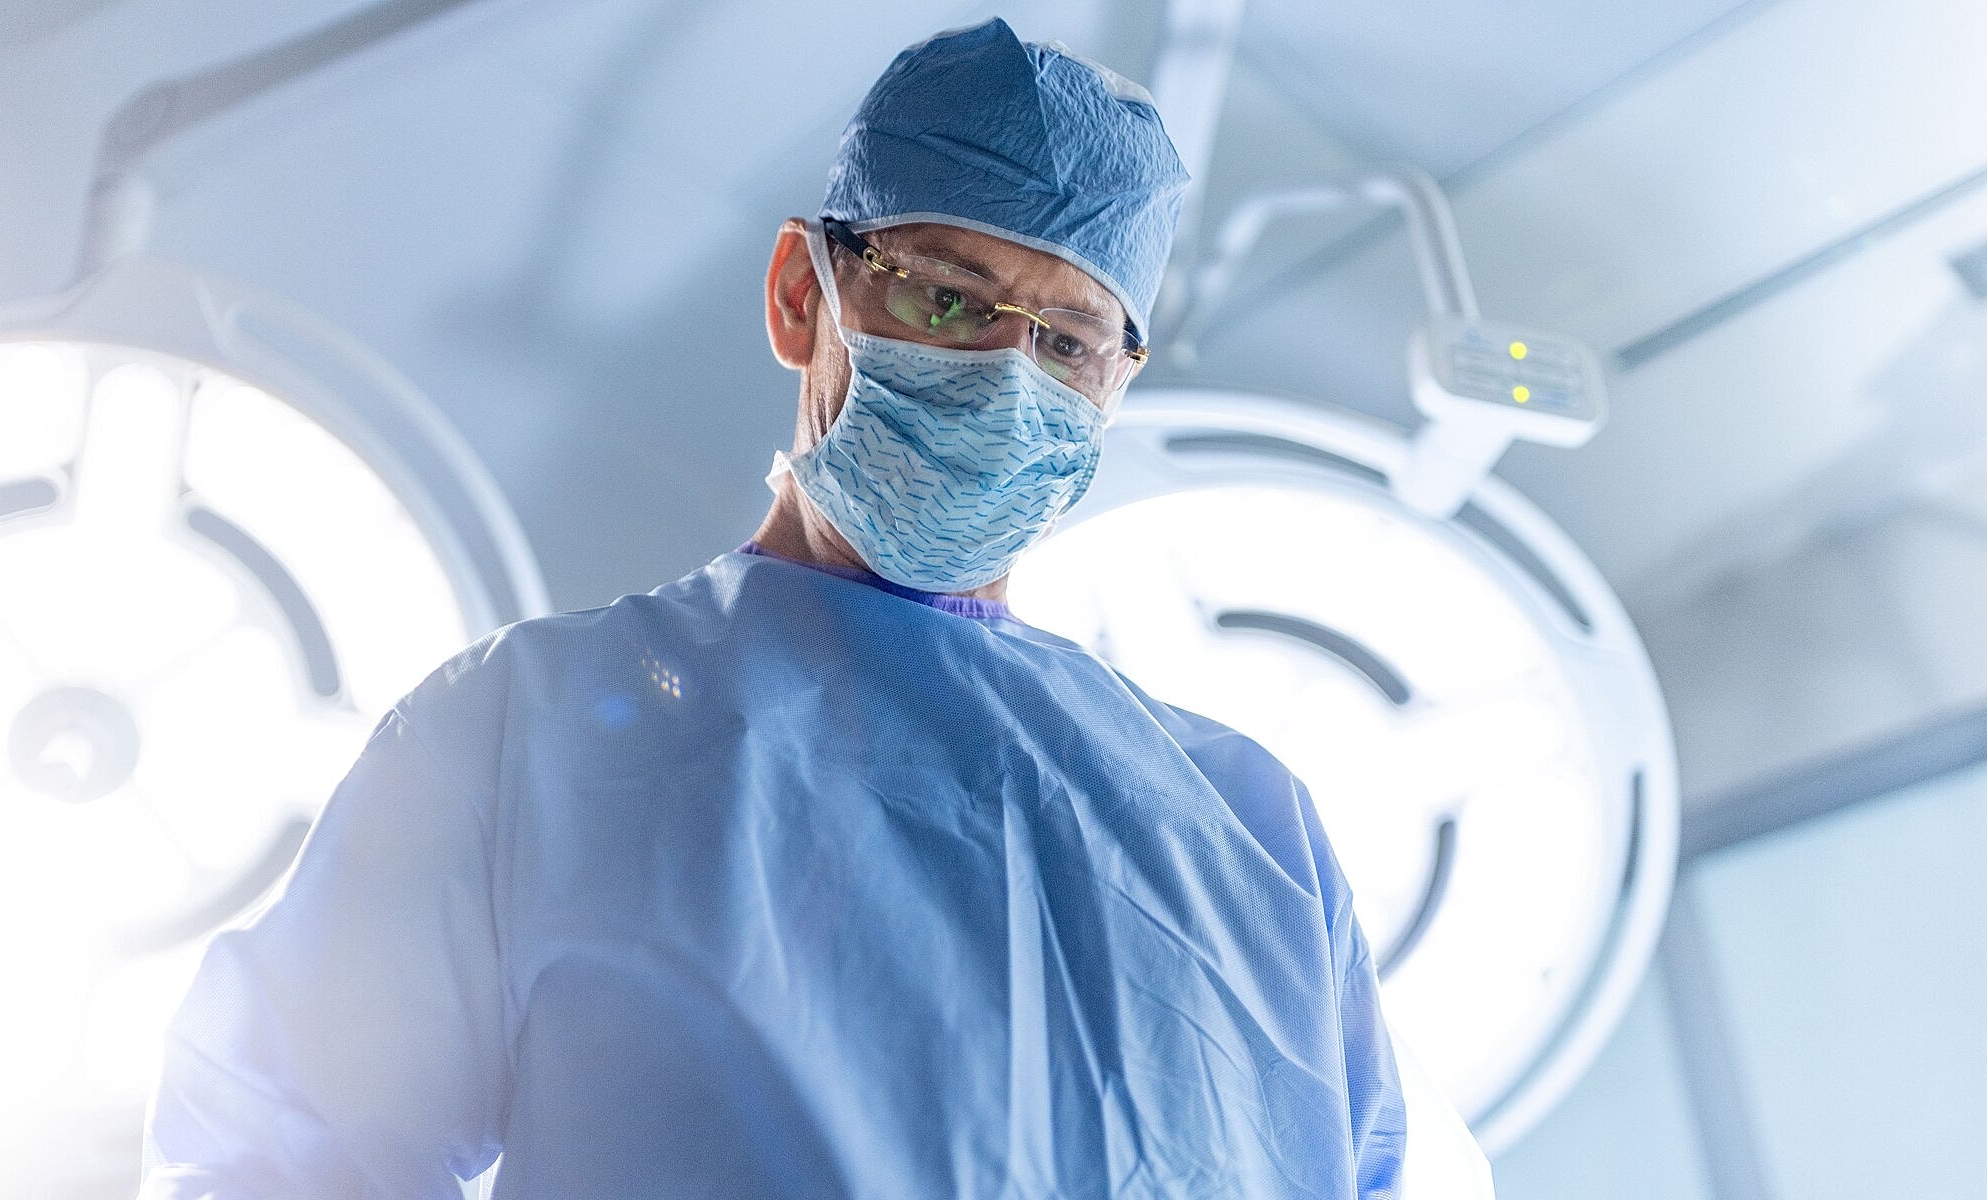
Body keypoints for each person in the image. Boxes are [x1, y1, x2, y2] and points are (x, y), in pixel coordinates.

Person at [140, 18, 1429, 1198]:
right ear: (802, 296)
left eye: (1067, 342)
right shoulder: (524, 737)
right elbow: (283, 1158)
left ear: (1118, 382)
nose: (1004, 377)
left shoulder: (1252, 829)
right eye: (945, 298)